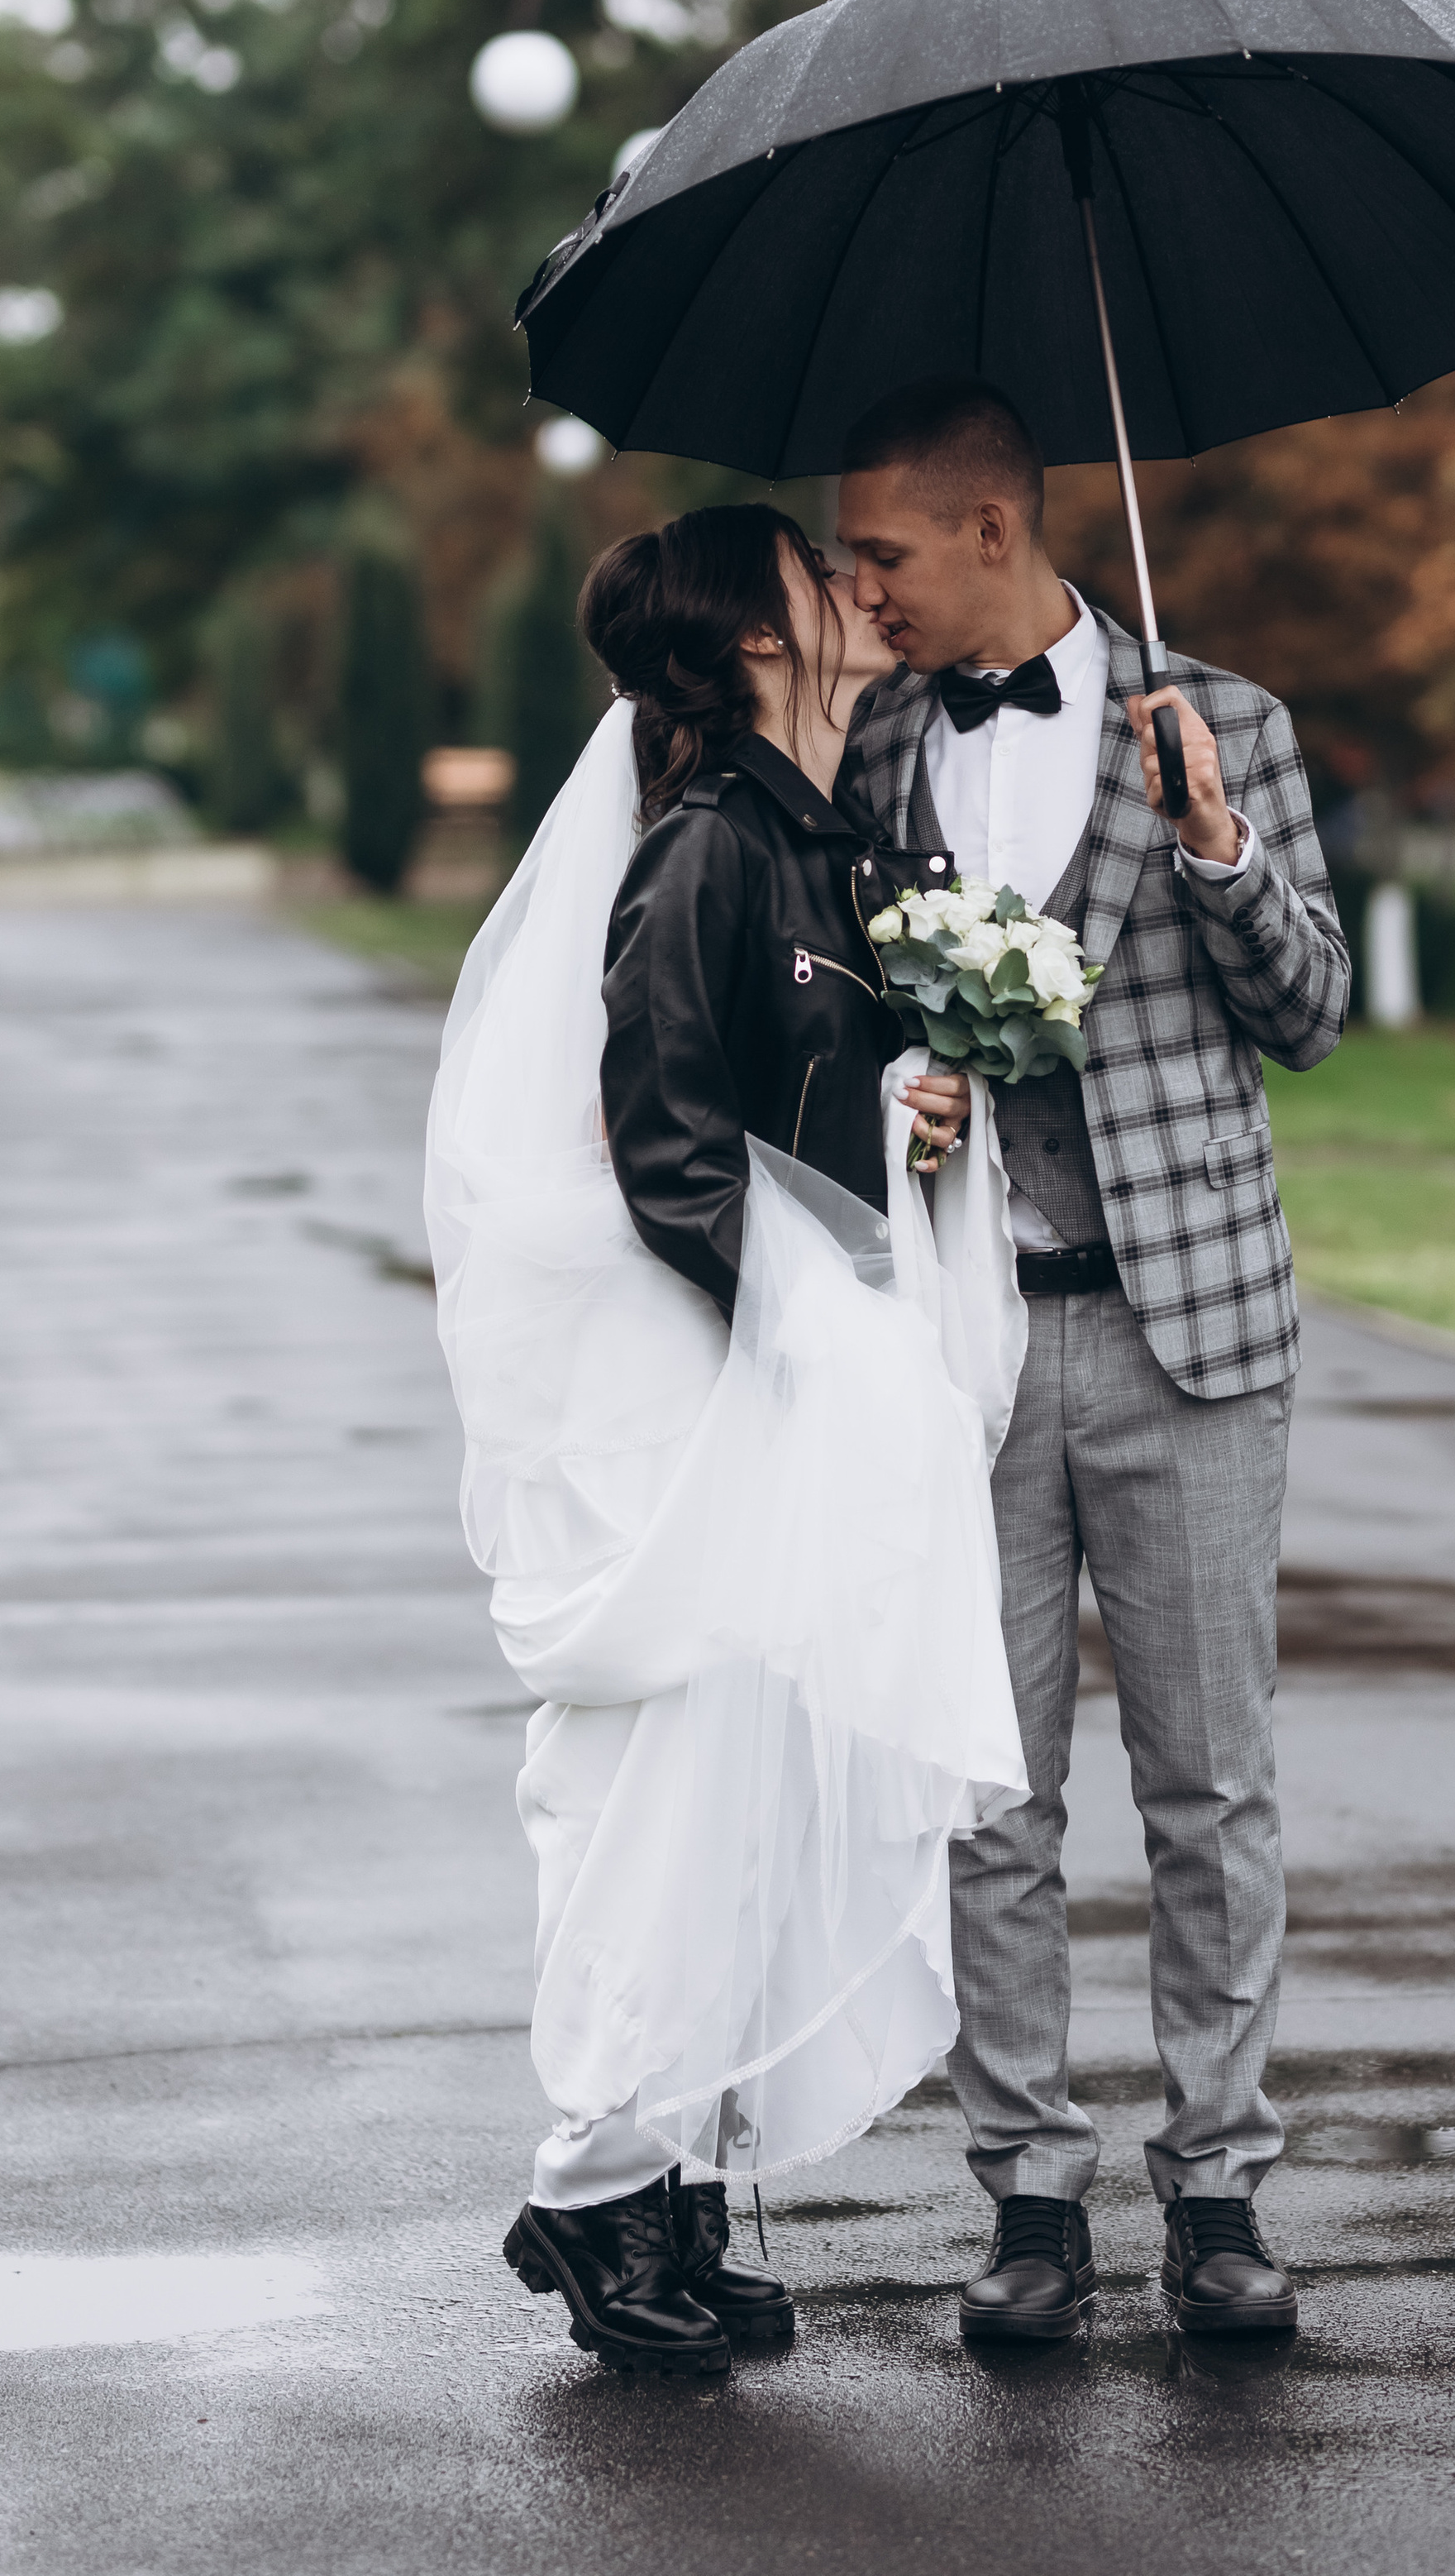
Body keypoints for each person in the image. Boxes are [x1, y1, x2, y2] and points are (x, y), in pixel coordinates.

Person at [425, 502, 1028, 2382]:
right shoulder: (699, 856)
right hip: (698, 1398)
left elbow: (793, 1113)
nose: (851, 591)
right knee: (657, 1806)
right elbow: (672, 1150)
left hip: (769, 1372)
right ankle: (594, 2194)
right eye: (809, 573)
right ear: (749, 641)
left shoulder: (818, 843)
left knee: (734, 1808)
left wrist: (903, 1118)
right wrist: (803, 1334)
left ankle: (666, 2174)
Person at [836, 375, 1351, 2346]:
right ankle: (1026, 2198)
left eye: (878, 552)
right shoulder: (875, 740)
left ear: (989, 528)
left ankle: (1219, 2189)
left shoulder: (1221, 724)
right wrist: (903, 1082)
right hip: (963, 1335)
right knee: (991, 1789)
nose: (856, 588)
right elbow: (835, 1011)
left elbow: (1306, 1016)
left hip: (1186, 1330)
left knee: (1210, 1781)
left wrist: (1217, 852)